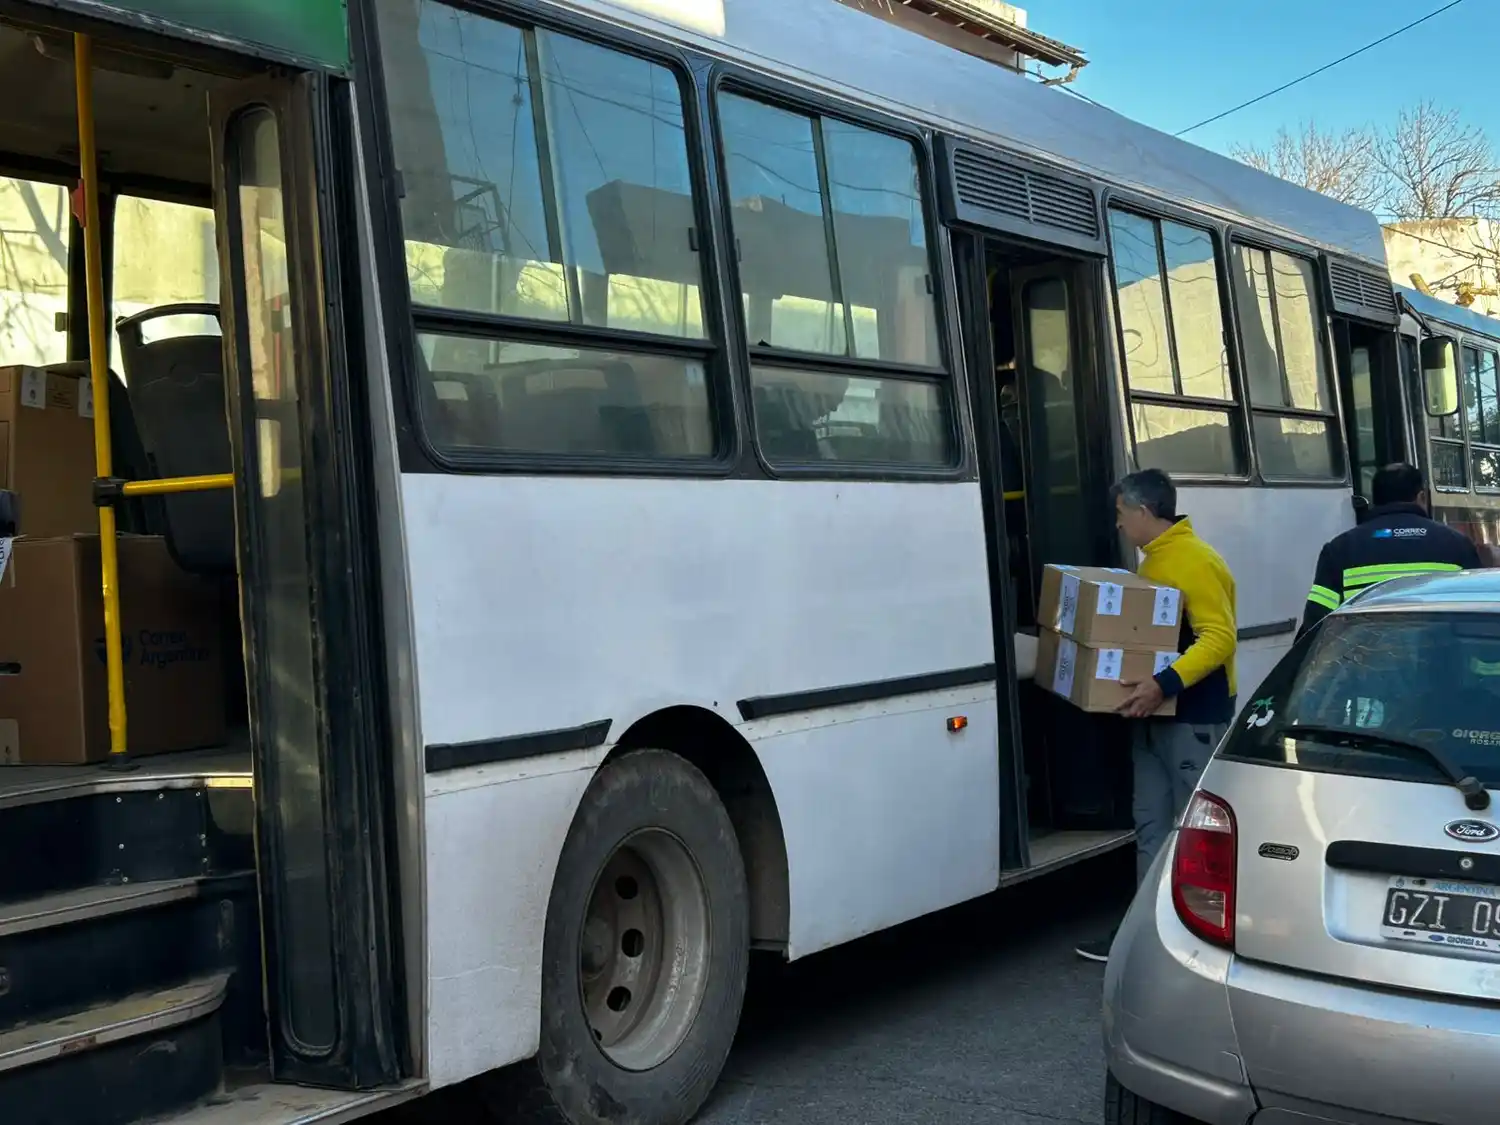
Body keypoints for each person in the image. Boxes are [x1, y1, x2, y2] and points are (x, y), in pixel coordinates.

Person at [1075, 468, 1237, 963]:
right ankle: (1147, 934)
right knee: (1150, 826)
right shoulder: (1156, 562)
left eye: (1123, 515)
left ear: (1144, 512)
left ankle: (1207, 938)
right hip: (1153, 716)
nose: (1120, 525)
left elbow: (1219, 637)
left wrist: (1162, 686)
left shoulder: (1193, 561)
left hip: (1192, 718)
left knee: (1197, 833)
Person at [1299, 463, 1482, 638]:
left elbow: (1316, 625)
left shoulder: (1340, 549)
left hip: (1369, 664)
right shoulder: (1458, 545)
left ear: (1375, 499)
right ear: (1421, 497)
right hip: (1439, 664)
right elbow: (1477, 617)